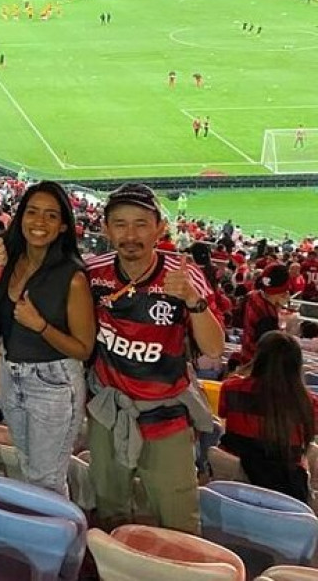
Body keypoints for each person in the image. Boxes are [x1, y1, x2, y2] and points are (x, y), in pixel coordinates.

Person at [86, 183, 224, 534]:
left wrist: (193, 300)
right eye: (120, 224)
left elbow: (214, 348)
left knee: (179, 522)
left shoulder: (183, 277)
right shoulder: (92, 273)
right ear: (105, 228)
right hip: (109, 412)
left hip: (166, 416)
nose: (130, 235)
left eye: (141, 224)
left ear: (159, 228)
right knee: (110, 510)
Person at [0, 181, 95, 495]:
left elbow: (84, 348)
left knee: (46, 481)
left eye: (50, 216)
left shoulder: (72, 277)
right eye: (32, 212)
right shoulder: (9, 260)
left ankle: (57, 542)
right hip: (11, 375)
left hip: (54, 384)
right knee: (27, 467)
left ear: (63, 226)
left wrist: (41, 326)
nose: (39, 222)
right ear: (20, 217)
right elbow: (0, 324)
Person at [219, 331, 318, 502]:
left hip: (231, 486)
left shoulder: (230, 388)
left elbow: (222, 416)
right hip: (287, 492)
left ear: (258, 357)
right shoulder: (309, 404)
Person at [234, 263, 290, 368]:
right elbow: (267, 353)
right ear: (283, 290)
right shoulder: (268, 317)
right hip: (255, 367)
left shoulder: (252, 295)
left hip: (245, 355)